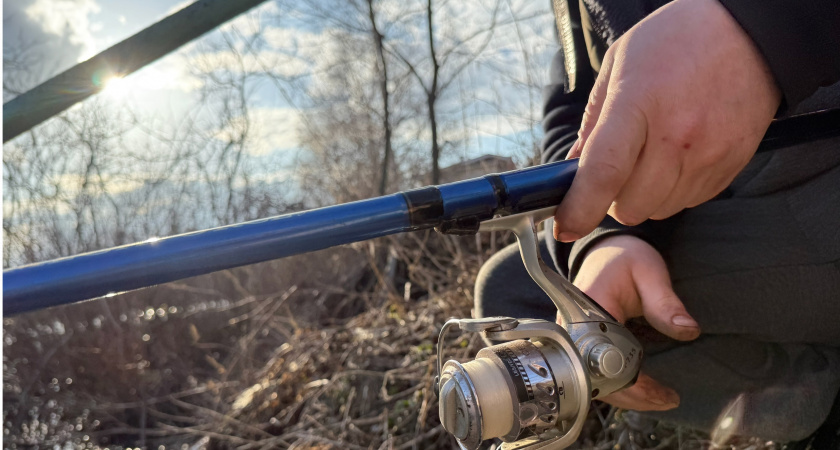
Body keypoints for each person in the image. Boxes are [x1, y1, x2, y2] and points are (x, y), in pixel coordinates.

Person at [476, 0, 840, 443]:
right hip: (749, 211)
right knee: (511, 294)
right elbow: (576, 114)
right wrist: (607, 238)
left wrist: (762, 29)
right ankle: (802, 397)